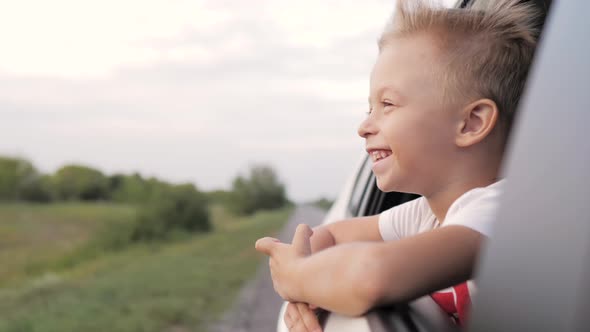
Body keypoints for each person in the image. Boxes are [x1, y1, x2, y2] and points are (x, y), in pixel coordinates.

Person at [255, 0, 540, 330]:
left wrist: (296, 277)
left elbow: (369, 277)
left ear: (471, 123)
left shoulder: (498, 213)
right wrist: (308, 283)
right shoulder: (428, 214)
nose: (363, 127)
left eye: (387, 104)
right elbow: (333, 235)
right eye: (369, 108)